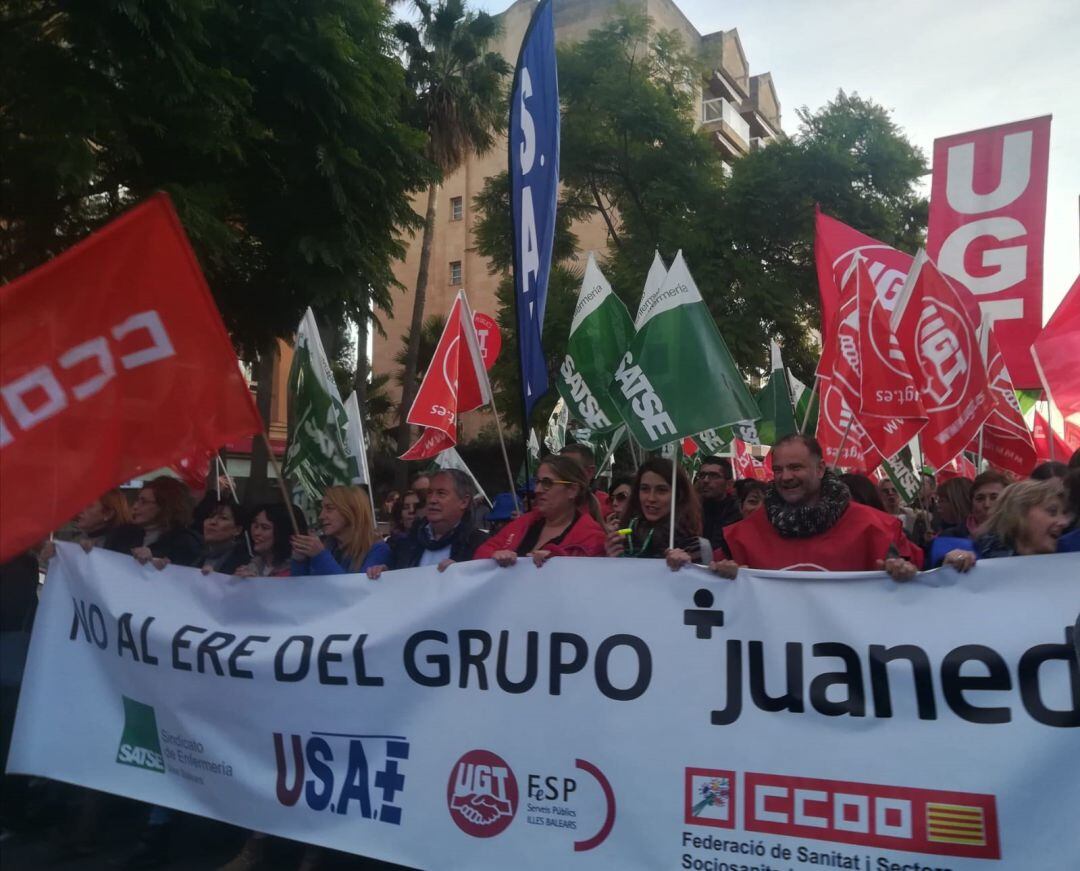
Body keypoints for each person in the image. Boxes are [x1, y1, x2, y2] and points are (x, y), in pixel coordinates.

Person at [707, 434, 921, 578]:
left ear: (820, 469)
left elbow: (923, 583)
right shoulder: (742, 536)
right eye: (778, 469)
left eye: (795, 467)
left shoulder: (876, 529)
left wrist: (905, 573)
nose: (785, 477)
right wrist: (719, 575)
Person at [475, 455, 606, 567]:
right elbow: (480, 554)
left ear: (572, 490)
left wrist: (557, 561)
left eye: (547, 483)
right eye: (538, 482)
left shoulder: (593, 538)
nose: (537, 490)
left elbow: (589, 582)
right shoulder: (524, 522)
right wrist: (494, 556)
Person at [366, 470, 488, 578]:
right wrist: (386, 574)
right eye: (429, 493)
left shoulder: (480, 545)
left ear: (464, 501)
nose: (432, 500)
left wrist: (465, 576)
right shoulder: (407, 543)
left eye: (441, 493)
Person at [944, 479, 1069, 569]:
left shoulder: (1066, 565)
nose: (1064, 522)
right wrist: (950, 571)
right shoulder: (973, 561)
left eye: (1063, 513)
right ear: (1019, 513)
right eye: (1052, 512)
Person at [605, 458, 705, 561]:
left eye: (661, 490)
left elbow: (698, 575)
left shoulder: (692, 544)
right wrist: (611, 560)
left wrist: (686, 566)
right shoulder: (625, 534)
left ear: (678, 495)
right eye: (645, 489)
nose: (651, 498)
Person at [290, 486, 389, 575]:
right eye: (322, 509)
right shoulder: (329, 545)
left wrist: (320, 555)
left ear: (351, 511)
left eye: (329, 509)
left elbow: (358, 592)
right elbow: (302, 590)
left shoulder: (378, 549)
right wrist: (299, 560)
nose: (321, 516)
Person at [130, 477, 202, 568]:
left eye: (144, 502)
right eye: (137, 500)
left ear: (165, 506)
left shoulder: (185, 543)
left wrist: (154, 557)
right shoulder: (125, 535)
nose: (135, 506)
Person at [234, 504, 307, 578]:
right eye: (255, 526)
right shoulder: (252, 566)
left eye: (265, 528)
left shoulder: (303, 569)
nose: (256, 533)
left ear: (284, 533)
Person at [695, 456, 741, 547]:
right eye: (702, 475)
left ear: (729, 484)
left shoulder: (738, 511)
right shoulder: (691, 509)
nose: (705, 480)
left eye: (714, 476)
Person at [197, 499, 249, 574]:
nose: (213, 522)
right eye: (210, 516)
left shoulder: (245, 565)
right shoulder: (196, 557)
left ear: (237, 530)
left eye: (223, 518)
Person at [560, 443, 610, 517]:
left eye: (570, 469)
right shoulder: (550, 501)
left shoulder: (607, 504)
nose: (562, 474)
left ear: (590, 472)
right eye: (559, 469)